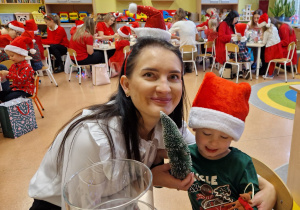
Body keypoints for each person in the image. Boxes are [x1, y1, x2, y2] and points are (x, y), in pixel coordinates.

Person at [28, 37, 276, 210]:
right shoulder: (91, 136)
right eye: (150, 75)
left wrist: (268, 188)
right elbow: (83, 206)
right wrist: (149, 179)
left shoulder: (169, 128)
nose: (164, 87)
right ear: (125, 84)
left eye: (173, 77)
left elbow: (214, 155)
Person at [187, 72, 259, 209]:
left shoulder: (241, 164)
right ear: (195, 128)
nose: (214, 142)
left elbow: (251, 201)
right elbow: (160, 180)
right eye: (207, 133)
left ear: (233, 136)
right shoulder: (187, 156)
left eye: (224, 137)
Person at [0, 36, 35, 102]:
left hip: (25, 90)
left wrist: (8, 73)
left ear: (21, 54)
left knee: (6, 98)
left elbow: (22, 79)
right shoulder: (14, 65)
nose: (10, 58)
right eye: (9, 56)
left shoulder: (27, 67)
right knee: (1, 95)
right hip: (16, 88)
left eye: (12, 56)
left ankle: (12, 110)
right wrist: (4, 75)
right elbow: (10, 76)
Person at [169, 9, 199, 73]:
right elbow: (197, 38)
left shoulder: (177, 24)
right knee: (186, 49)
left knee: (174, 50)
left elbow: (167, 35)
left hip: (184, 54)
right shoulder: (192, 23)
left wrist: (176, 37)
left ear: (176, 16)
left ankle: (181, 69)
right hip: (194, 53)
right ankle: (188, 67)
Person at [258, 13, 283, 79]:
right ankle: (271, 73)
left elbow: (264, 42)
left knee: (269, 60)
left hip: (270, 47)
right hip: (277, 46)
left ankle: (270, 74)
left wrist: (261, 39)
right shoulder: (273, 27)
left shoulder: (266, 32)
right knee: (272, 61)